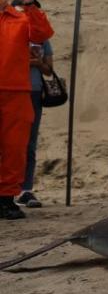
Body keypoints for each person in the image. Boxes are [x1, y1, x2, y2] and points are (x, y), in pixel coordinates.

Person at [0, 0, 54, 220]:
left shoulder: (22, 17)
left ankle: (5, 198)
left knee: (15, 148)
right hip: (15, 91)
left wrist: (31, 5)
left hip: (17, 92)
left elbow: (42, 34)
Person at [17, 36, 53, 208]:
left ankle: (26, 189)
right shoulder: (7, 32)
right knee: (8, 142)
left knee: (29, 143)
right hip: (11, 89)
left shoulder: (42, 40)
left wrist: (37, 63)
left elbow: (48, 70)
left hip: (34, 92)